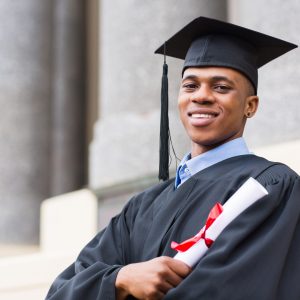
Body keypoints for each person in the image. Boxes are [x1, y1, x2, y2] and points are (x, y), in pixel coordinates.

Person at [45, 16, 300, 300]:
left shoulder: (270, 188)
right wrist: (121, 279)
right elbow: (60, 292)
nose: (201, 96)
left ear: (250, 106)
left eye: (221, 87)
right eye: (190, 86)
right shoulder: (141, 208)